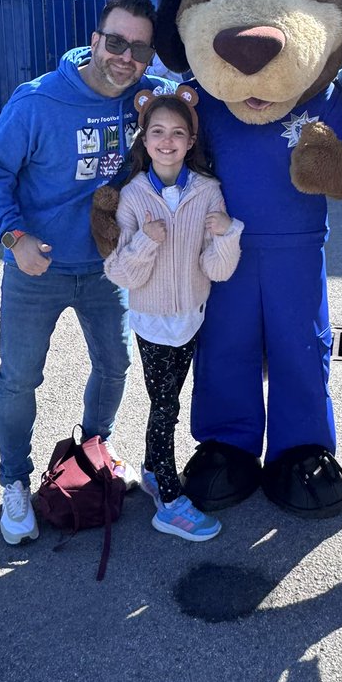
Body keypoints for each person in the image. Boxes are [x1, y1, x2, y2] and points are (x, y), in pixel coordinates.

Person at [0, 0, 167, 545]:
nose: (124, 57)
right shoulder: (37, 102)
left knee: (114, 364)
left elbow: (182, 105)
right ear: (96, 38)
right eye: (115, 42)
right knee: (19, 378)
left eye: (138, 48)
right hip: (39, 267)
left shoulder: (143, 99)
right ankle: (15, 480)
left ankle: (93, 453)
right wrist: (14, 237)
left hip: (109, 269)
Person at [103, 89, 243, 541]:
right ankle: (167, 497)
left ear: (190, 141)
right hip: (151, 320)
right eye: (157, 132)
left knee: (170, 398)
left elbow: (218, 270)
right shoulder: (132, 197)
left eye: (177, 133)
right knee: (165, 405)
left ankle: (149, 466)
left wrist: (229, 233)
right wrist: (146, 239)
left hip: (191, 318)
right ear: (144, 140)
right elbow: (120, 272)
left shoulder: (208, 192)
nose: (167, 141)